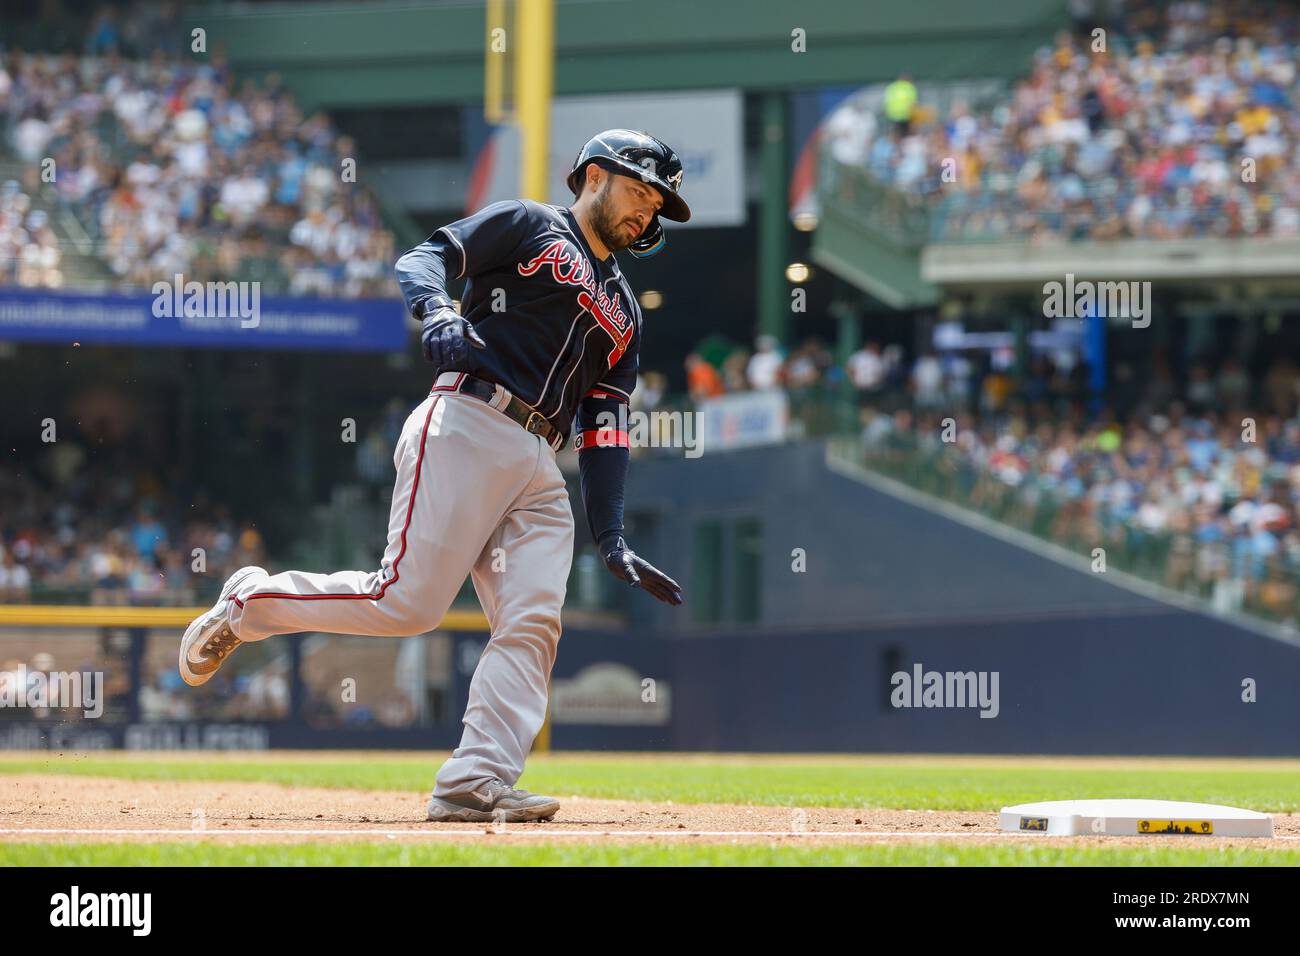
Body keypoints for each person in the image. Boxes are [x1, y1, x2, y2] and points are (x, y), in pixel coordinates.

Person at [178, 130, 690, 822]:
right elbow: (425, 257)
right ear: (594, 175)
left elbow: (604, 426)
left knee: (534, 619)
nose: (647, 212)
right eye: (639, 190)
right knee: (407, 604)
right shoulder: (530, 224)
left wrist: (613, 533)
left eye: (657, 203)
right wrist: (439, 309)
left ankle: (473, 781)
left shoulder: (625, 312)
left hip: (541, 464)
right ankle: (250, 603)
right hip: (468, 424)